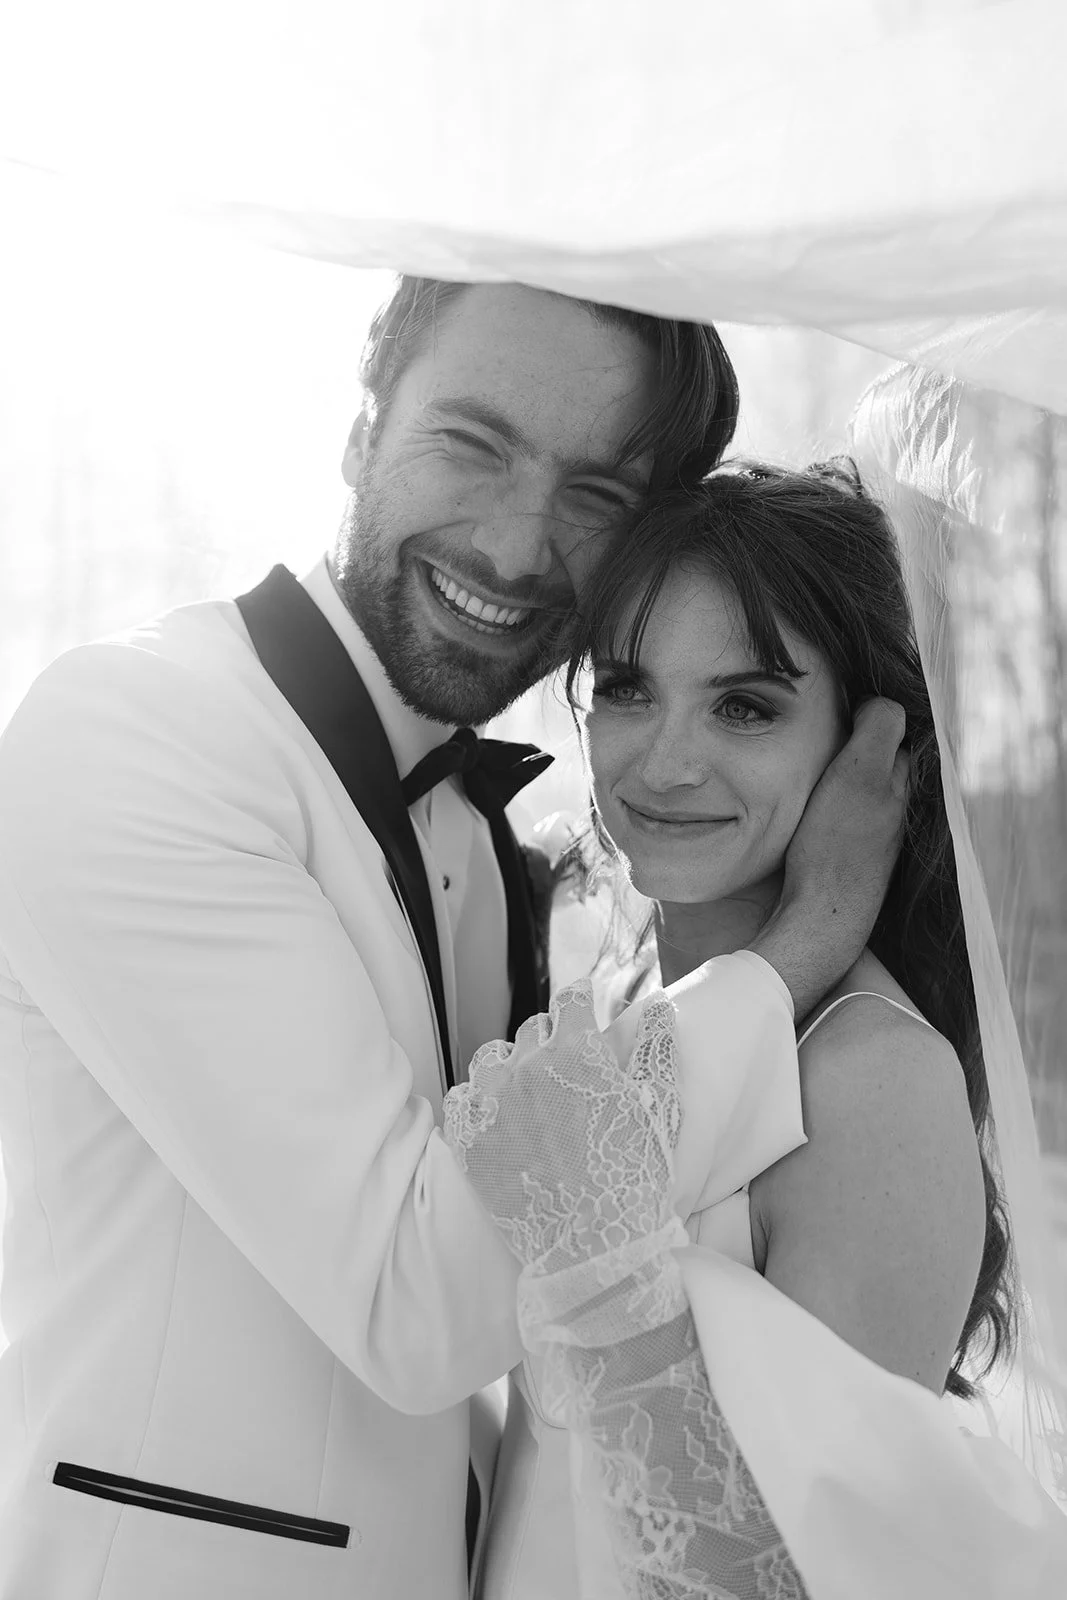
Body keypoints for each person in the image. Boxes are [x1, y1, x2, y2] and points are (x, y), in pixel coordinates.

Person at [0, 282, 905, 1600]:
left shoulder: (478, 836)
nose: (515, 546)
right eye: (471, 443)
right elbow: (418, 1301)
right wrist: (804, 939)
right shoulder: (135, 735)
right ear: (359, 428)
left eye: (595, 493)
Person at [453, 461, 1067, 1599]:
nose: (664, 762)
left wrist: (602, 1283)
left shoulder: (870, 1079)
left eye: (745, 705)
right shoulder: (621, 995)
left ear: (871, 746)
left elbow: (785, 1571)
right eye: (627, 688)